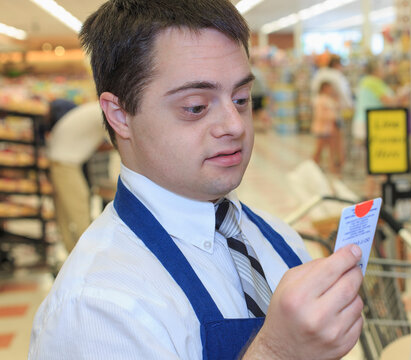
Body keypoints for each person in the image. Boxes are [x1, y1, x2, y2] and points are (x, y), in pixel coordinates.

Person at [29, 1, 364, 359]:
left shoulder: (278, 238)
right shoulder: (97, 308)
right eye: (195, 107)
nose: (235, 126)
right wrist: (276, 352)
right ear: (120, 115)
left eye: (241, 99)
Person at [47, 100, 112, 252]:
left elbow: (104, 145)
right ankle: (88, 256)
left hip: (59, 160)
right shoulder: (105, 112)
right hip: (65, 163)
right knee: (79, 209)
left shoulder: (97, 109)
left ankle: (73, 256)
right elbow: (119, 142)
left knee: (65, 213)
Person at [310, 55, 353, 173]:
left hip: (325, 123)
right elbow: (345, 94)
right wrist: (349, 106)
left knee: (325, 148)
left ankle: (330, 167)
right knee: (331, 147)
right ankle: (333, 167)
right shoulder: (336, 76)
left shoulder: (319, 74)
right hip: (330, 123)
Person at [311, 81, 340, 173]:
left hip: (329, 128)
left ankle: (331, 168)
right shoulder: (320, 100)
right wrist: (332, 116)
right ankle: (312, 167)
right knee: (319, 150)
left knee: (331, 150)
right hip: (321, 129)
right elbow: (319, 115)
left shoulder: (329, 99)